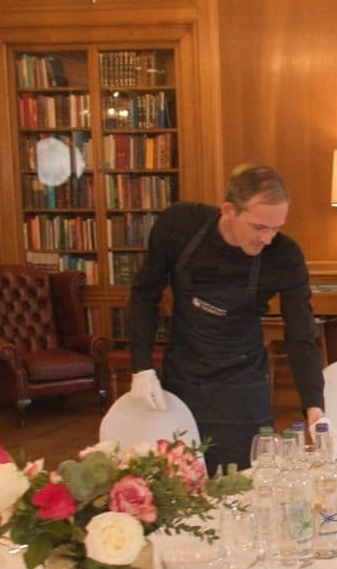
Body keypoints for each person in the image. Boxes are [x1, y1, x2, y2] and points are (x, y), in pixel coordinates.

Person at [127, 164, 324, 471]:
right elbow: (144, 294)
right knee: (185, 480)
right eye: (259, 227)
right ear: (229, 210)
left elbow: (301, 335)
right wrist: (141, 367)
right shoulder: (179, 226)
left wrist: (315, 407)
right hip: (185, 375)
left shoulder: (284, 256)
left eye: (276, 228)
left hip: (244, 382)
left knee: (247, 480)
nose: (268, 239)